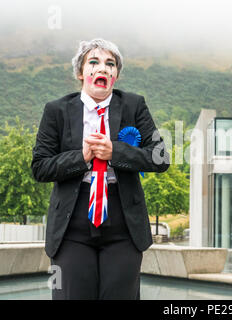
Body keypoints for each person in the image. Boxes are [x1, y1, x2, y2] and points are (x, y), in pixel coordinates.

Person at [31, 38, 170, 300]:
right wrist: (81, 157)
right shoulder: (56, 110)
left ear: (115, 75)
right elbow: (40, 167)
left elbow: (160, 159)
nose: (102, 68)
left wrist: (114, 152)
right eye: (93, 62)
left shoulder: (134, 105)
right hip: (72, 224)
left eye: (110, 64)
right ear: (81, 73)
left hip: (123, 223)